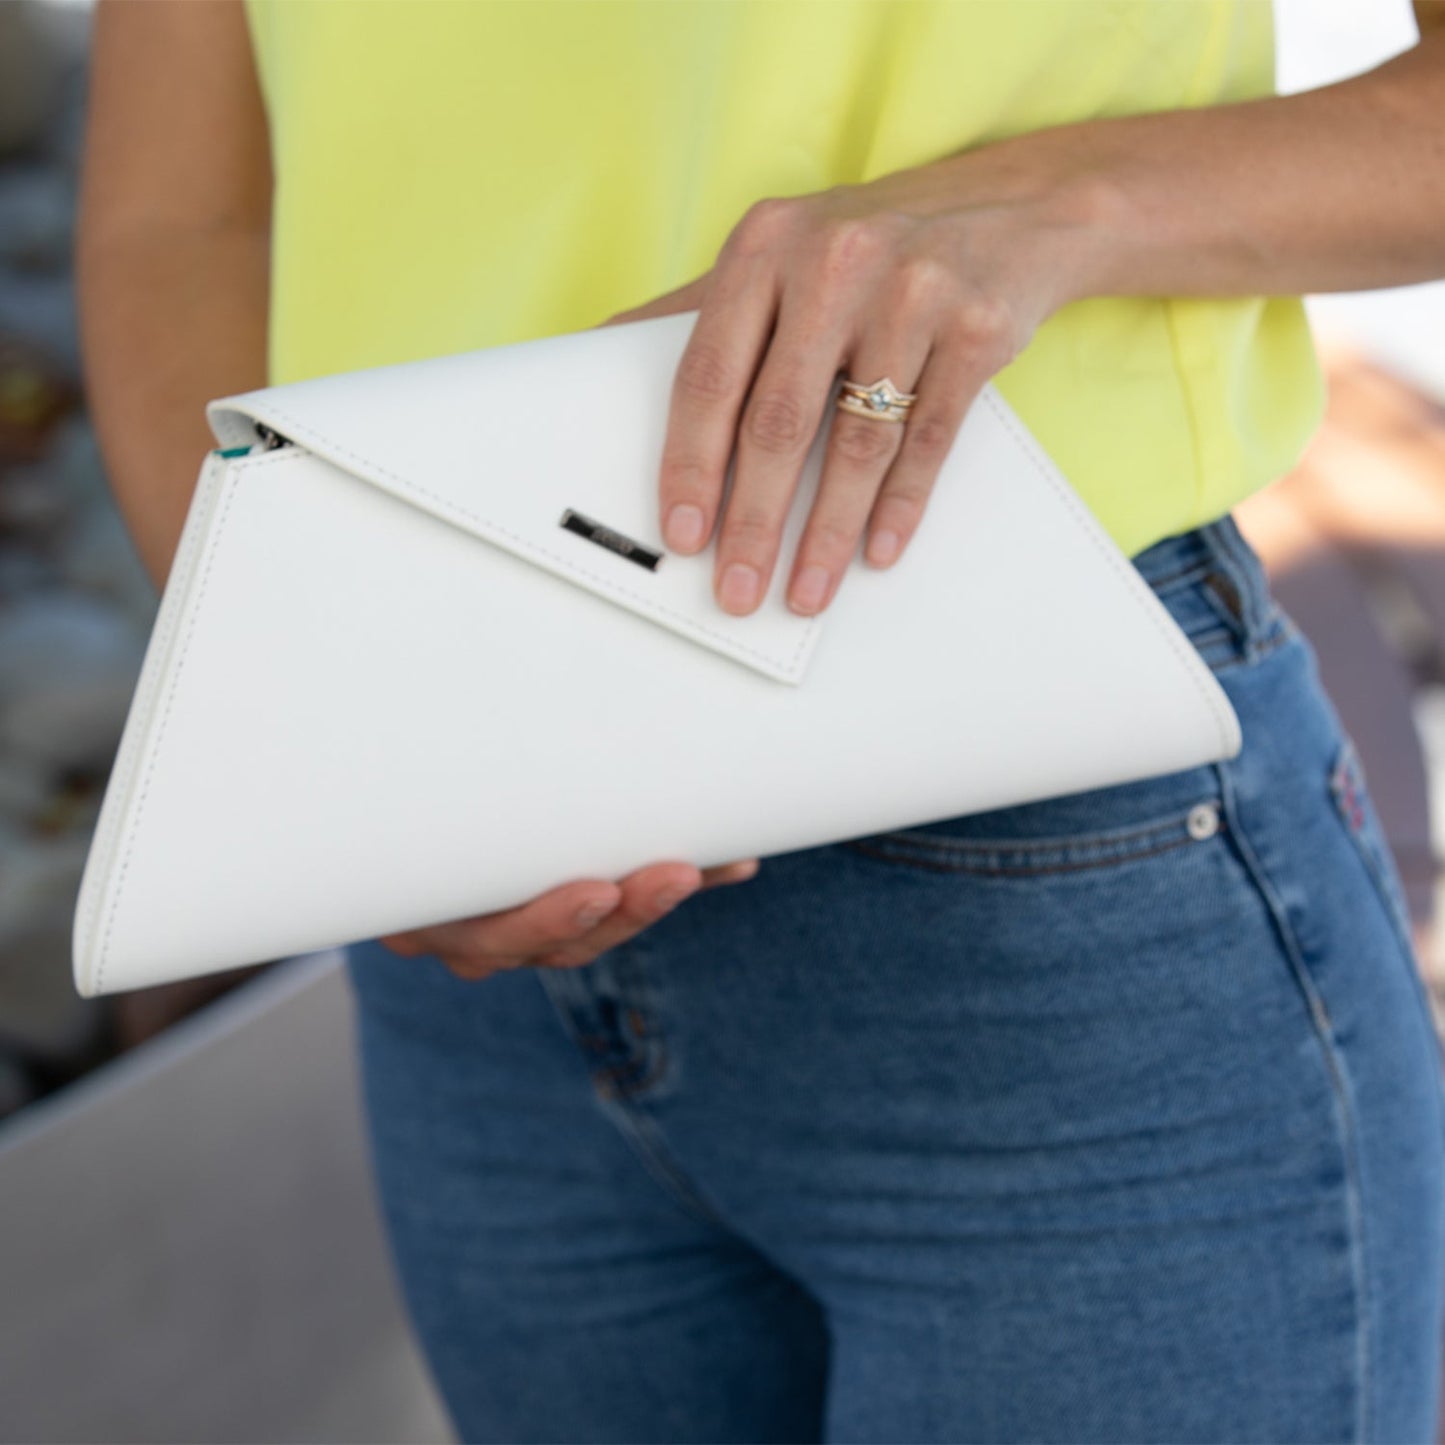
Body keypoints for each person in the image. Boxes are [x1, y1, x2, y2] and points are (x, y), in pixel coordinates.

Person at [77, 2, 1445, 1440]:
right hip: (472, 942)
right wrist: (298, 692)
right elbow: (179, 221)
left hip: (1049, 884)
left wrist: (1050, 206)